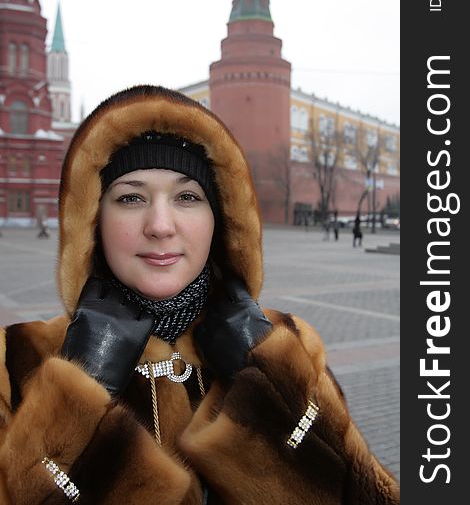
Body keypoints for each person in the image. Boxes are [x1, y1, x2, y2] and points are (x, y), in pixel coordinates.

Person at [0, 85, 399, 503]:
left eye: (187, 197)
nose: (160, 225)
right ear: (93, 219)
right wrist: (80, 390)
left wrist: (270, 390)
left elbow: (365, 496)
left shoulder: (286, 345)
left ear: (221, 219)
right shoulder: (15, 363)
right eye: (131, 197)